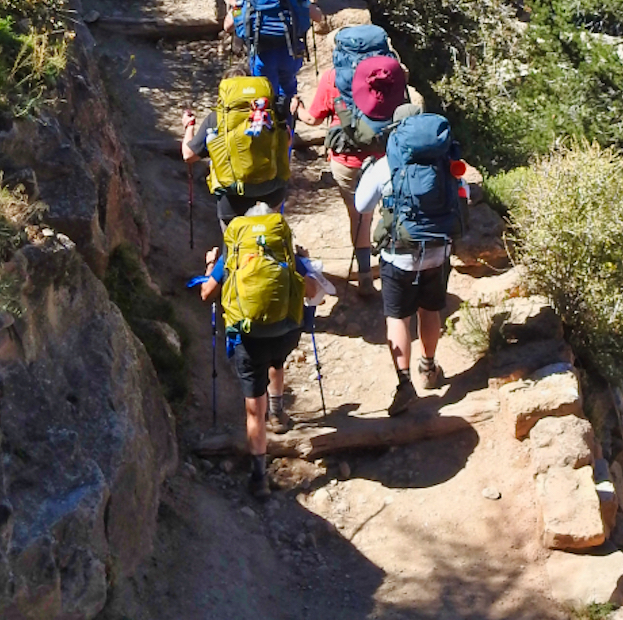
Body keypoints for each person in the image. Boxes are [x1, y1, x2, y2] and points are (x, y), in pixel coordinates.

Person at [198, 205, 323, 498]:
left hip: (249, 337)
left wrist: (210, 266)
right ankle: (278, 414)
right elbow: (314, 291)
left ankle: (259, 477)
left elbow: (206, 294)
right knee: (276, 361)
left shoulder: (235, 252)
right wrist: (302, 263)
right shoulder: (284, 249)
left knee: (254, 407)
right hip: (285, 333)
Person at [355, 112, 465, 416]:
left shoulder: (386, 165)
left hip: (397, 254)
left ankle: (405, 385)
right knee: (430, 311)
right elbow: (463, 194)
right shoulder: (447, 162)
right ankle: (429, 369)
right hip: (438, 251)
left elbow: (361, 205)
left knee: (398, 319)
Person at [293, 52, 408, 297]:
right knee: (392, 211)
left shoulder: (333, 78)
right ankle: (398, 272)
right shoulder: (392, 76)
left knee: (359, 218)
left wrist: (297, 108)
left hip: (346, 161)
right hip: (385, 159)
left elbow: (312, 119)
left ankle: (365, 276)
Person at [181, 72, 289, 230]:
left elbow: (188, 155)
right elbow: (287, 141)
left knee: (234, 246)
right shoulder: (268, 113)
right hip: (272, 192)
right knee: (268, 235)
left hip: (233, 200)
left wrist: (189, 126)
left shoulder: (217, 118)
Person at [231, 0, 323, 100]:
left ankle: (267, 123)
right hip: (291, 53)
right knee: (288, 94)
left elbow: (228, 25)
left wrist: (234, 7)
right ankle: (288, 121)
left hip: (261, 54)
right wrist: (311, 3)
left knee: (264, 95)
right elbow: (318, 17)